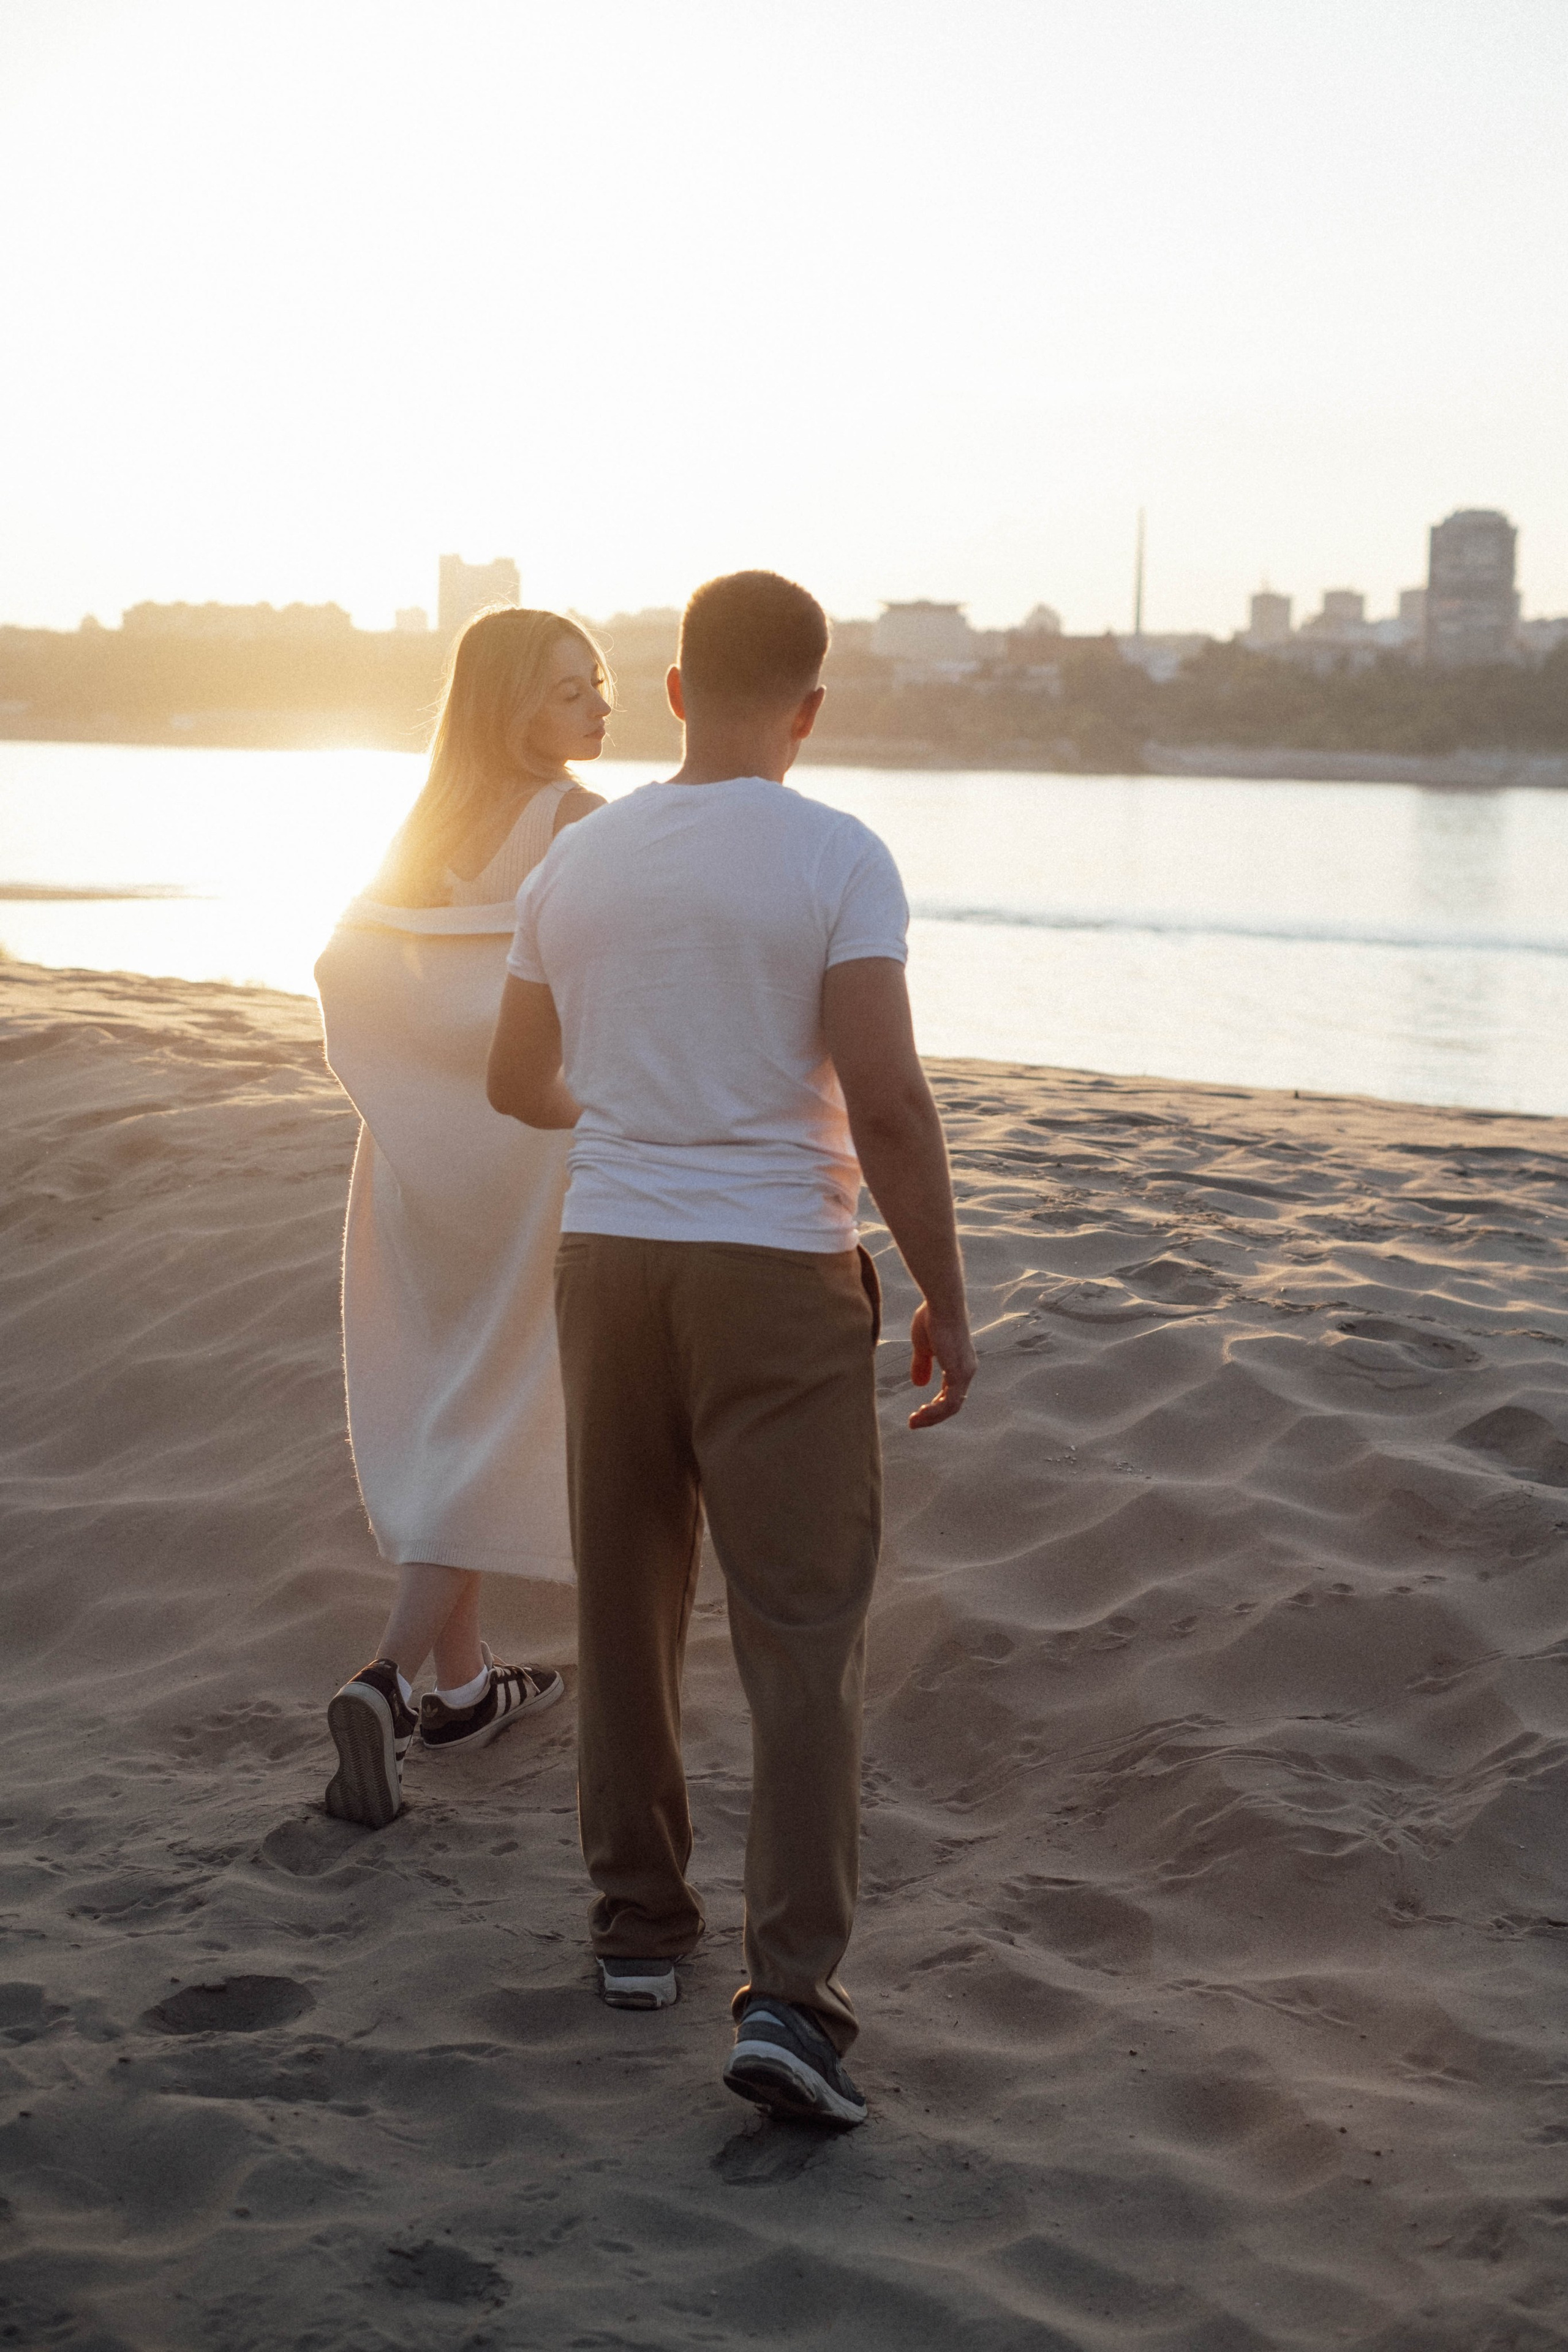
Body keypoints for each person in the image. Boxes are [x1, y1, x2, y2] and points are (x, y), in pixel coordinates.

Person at [487, 570, 976, 2128]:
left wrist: (637, 1102)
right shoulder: (836, 855)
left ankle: (637, 1930)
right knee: (801, 1630)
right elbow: (886, 1102)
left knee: (626, 1596)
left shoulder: (581, 860)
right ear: (812, 708)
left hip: (610, 1256)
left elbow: (517, 1078)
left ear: (679, 688)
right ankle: (792, 2005)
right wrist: (943, 1294)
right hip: (774, 1266)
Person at [313, 606, 610, 1830]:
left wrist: (419, 1091)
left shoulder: (414, 832)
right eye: (564, 693)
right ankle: (385, 1682)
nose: (597, 709)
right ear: (507, 707)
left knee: (451, 1396)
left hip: (417, 1159)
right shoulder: (577, 822)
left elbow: (351, 978)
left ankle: (460, 1690)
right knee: (496, 1405)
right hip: (528, 1158)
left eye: (596, 685)